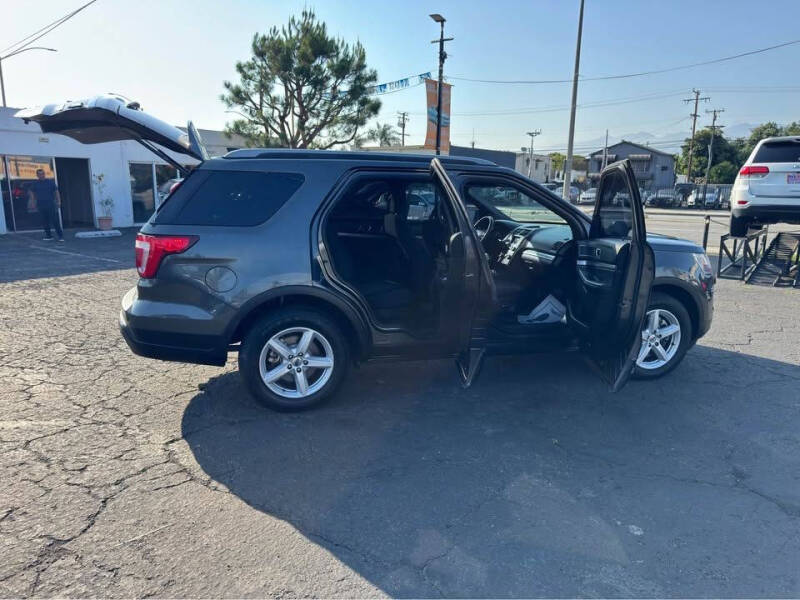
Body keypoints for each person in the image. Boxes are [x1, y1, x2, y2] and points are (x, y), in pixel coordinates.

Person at [28, 169, 64, 242]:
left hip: (50, 204)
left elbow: (56, 192)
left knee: (55, 220)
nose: (41, 175)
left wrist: (59, 201)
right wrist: (33, 201)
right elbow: (31, 191)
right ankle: (49, 236)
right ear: (37, 175)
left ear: (44, 174)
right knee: (44, 221)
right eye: (39, 174)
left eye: (42, 174)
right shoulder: (35, 183)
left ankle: (60, 236)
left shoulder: (50, 182)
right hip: (41, 204)